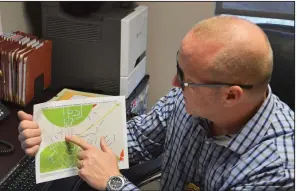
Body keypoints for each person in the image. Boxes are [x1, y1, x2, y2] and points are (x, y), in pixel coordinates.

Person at [17, 15, 294, 191]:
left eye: (186, 79)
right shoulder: (184, 101)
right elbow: (132, 140)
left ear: (231, 95)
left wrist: (114, 183)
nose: (174, 83)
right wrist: (51, 139)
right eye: (179, 69)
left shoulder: (278, 171)